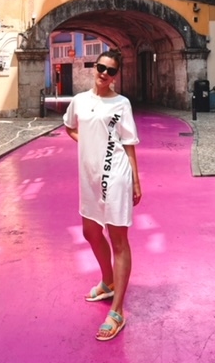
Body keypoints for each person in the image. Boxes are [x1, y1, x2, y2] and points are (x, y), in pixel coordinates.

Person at [63, 48, 142, 341]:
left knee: (118, 239)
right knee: (90, 231)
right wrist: (89, 143)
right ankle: (107, 282)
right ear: (93, 67)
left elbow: (129, 142)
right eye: (101, 67)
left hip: (117, 174)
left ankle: (118, 310)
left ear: (116, 76)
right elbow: (70, 126)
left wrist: (135, 179)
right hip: (89, 177)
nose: (104, 74)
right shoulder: (80, 101)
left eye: (111, 71)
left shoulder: (122, 104)